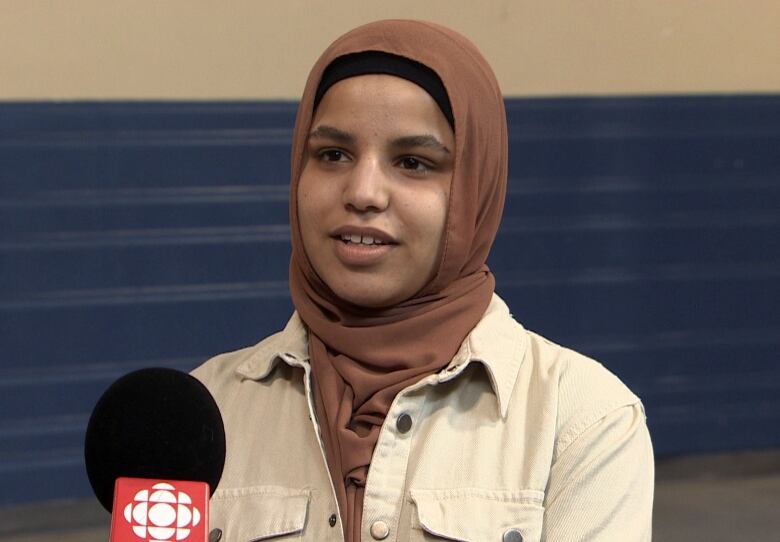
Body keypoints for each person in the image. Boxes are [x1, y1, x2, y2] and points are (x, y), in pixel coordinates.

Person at [193, 19, 654, 542]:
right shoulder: (201, 410)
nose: (363, 192)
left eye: (413, 162)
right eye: (333, 155)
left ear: (475, 189)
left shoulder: (580, 421)